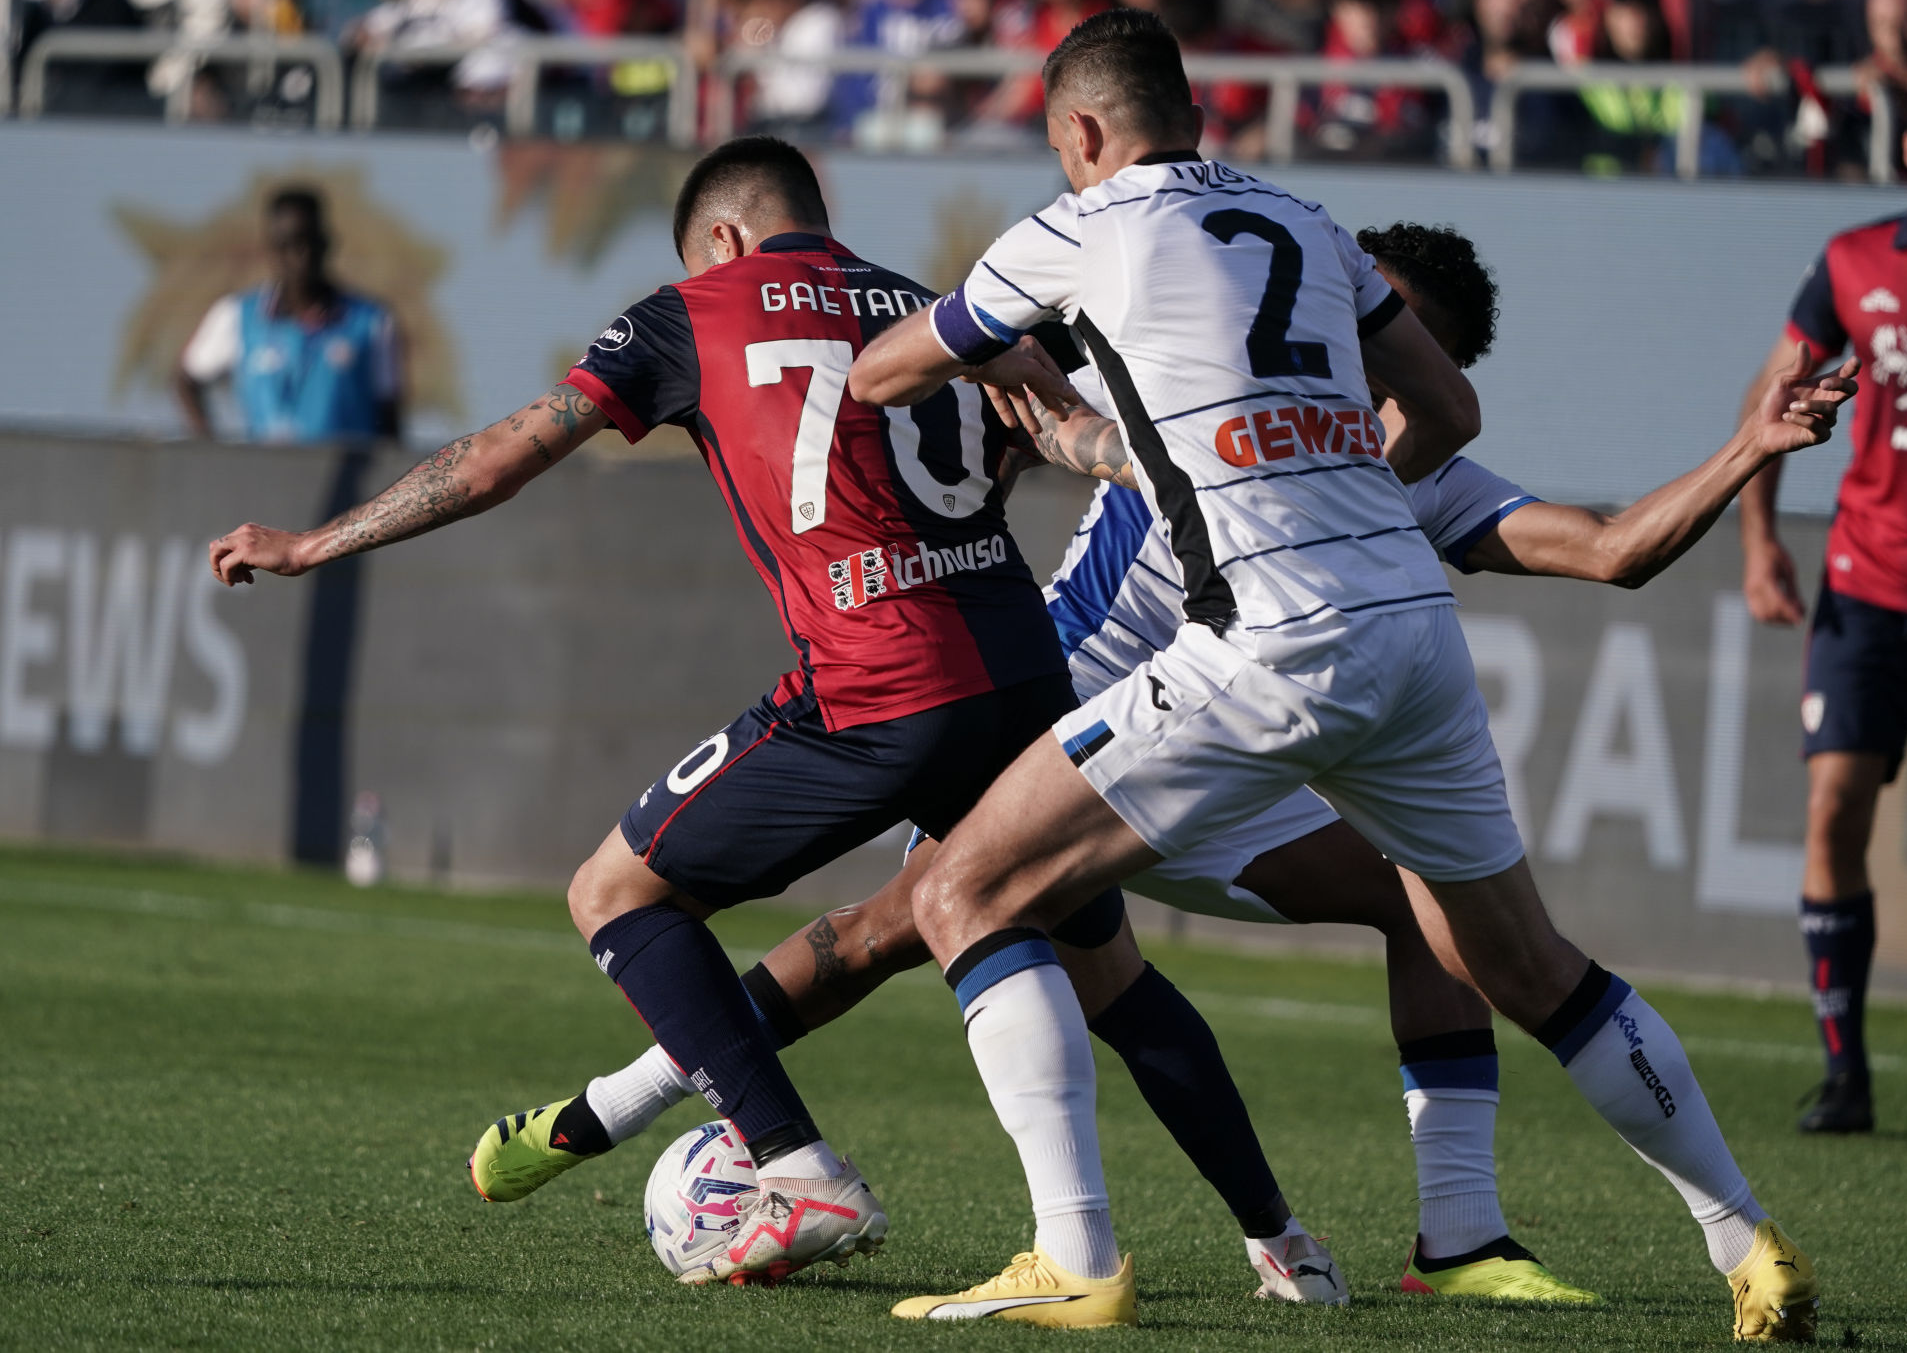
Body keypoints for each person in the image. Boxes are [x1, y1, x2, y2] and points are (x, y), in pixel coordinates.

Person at [477, 220, 1856, 1312]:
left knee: (1393, 899)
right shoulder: (1236, 385)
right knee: (900, 930)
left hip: (1217, 729)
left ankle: (1455, 1229)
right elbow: (993, 388)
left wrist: (1747, 449)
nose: (1347, 340)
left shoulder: (1393, 469)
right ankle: (614, 1111)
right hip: (1081, 706)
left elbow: (1610, 550)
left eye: (1388, 333)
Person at [845, 9, 1821, 1339]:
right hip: (1409, 633)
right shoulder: (1309, 224)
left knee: (959, 888)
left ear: (1079, 131)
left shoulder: (1083, 223)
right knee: (1531, 964)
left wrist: (1013, 367)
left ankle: (1070, 1254)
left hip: (1258, 640)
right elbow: (1454, 415)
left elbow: (884, 370)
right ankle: (1744, 1238)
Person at [207, 135, 1259, 1293]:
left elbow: (503, 455)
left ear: (722, 240)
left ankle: (794, 1164)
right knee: (1082, 957)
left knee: (614, 892)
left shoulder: (689, 311)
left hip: (871, 685)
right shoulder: (933, 309)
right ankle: (1274, 1246)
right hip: (1016, 673)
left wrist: (315, 541)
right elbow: (1047, 439)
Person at [1737, 66, 1907, 1138]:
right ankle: (1843, 1071)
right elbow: (1771, 393)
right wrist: (1758, 536)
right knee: (1830, 812)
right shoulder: (1856, 263)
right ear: (1906, 143)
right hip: (1866, 579)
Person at [175, 188, 405, 445]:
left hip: (353, 478)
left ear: (326, 243)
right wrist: (210, 445)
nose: (299, 257)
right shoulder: (238, 317)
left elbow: (390, 418)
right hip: (266, 477)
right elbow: (187, 377)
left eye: (307, 242)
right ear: (270, 249)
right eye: (287, 245)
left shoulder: (371, 322)